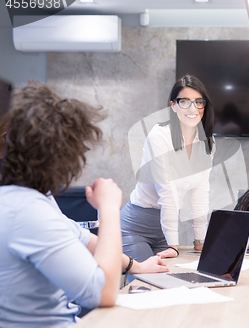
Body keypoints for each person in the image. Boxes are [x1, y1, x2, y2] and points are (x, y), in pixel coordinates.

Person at [0, 81, 168, 327]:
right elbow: (104, 292)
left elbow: (82, 238)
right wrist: (109, 209)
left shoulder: (29, 197)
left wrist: (136, 266)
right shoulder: (26, 211)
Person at [121, 75, 215, 260]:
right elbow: (167, 189)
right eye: (184, 102)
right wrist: (173, 245)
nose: (193, 108)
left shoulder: (207, 143)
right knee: (148, 282)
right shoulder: (159, 136)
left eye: (198, 102)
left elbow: (200, 192)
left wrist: (200, 240)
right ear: (173, 106)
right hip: (135, 228)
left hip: (164, 231)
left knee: (171, 282)